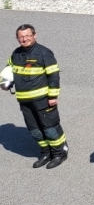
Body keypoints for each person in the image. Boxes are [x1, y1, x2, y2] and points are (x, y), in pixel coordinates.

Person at [6, 24, 67, 169]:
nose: (24, 39)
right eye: (21, 37)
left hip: (43, 100)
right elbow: (8, 70)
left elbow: (53, 75)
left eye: (27, 36)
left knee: (50, 128)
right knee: (34, 129)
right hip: (24, 100)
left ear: (34, 36)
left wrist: (53, 96)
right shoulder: (16, 54)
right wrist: (5, 82)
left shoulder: (44, 53)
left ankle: (59, 153)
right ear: (17, 38)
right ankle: (46, 152)